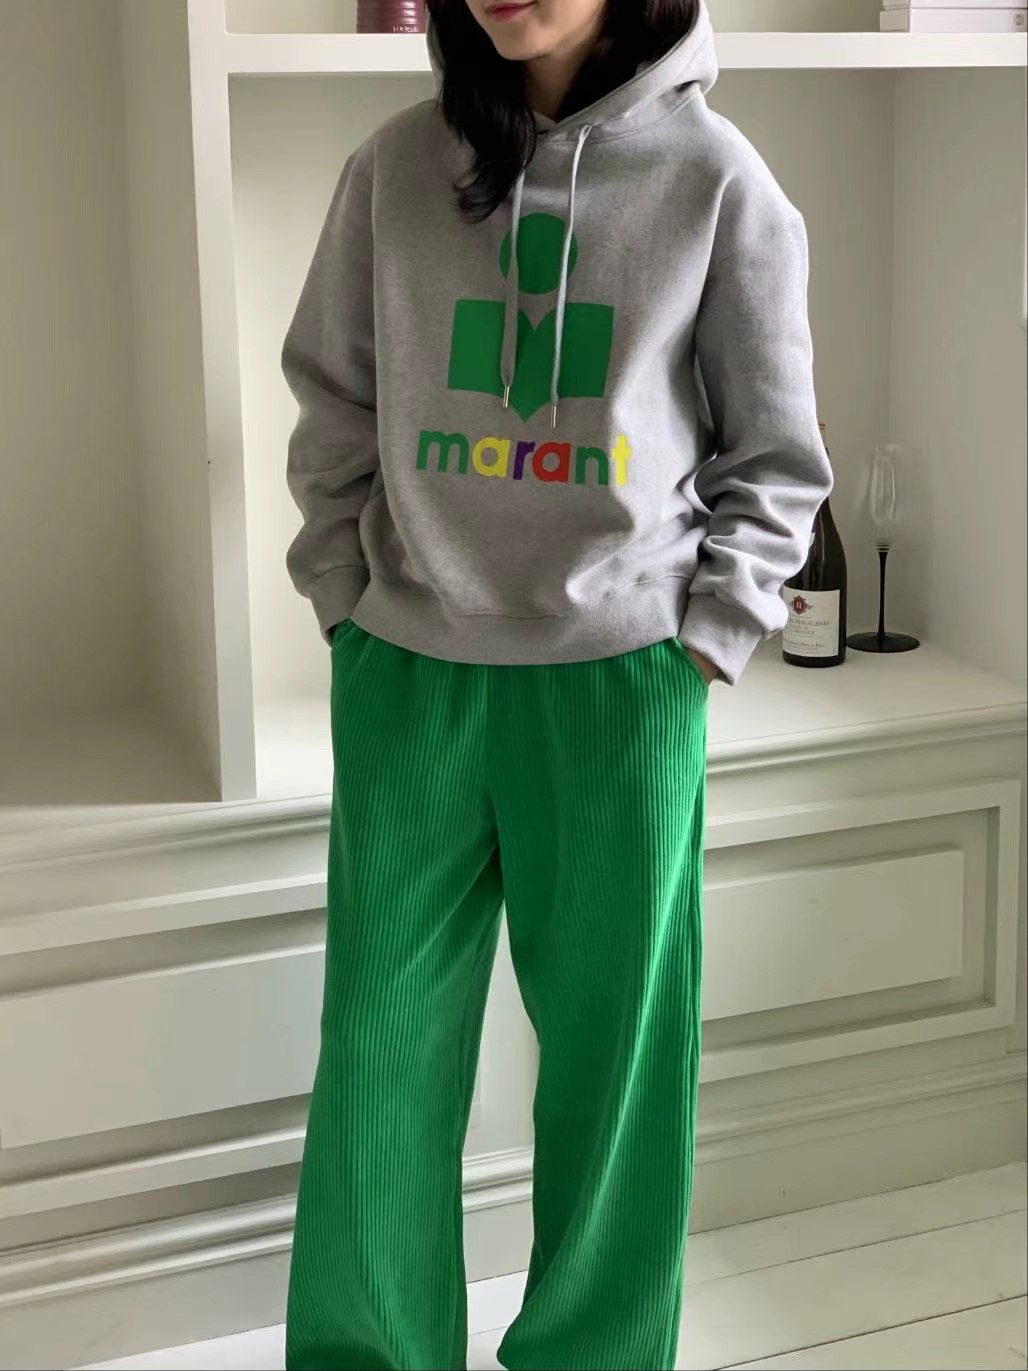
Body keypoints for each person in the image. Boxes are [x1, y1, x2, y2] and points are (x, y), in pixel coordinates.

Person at [280, 0, 833, 1365]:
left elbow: (776, 457)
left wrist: (710, 634)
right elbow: (334, 397)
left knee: (614, 1077)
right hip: (409, 673)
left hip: (619, 687)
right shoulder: (393, 168)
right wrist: (344, 597)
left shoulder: (716, 180)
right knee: (380, 1059)